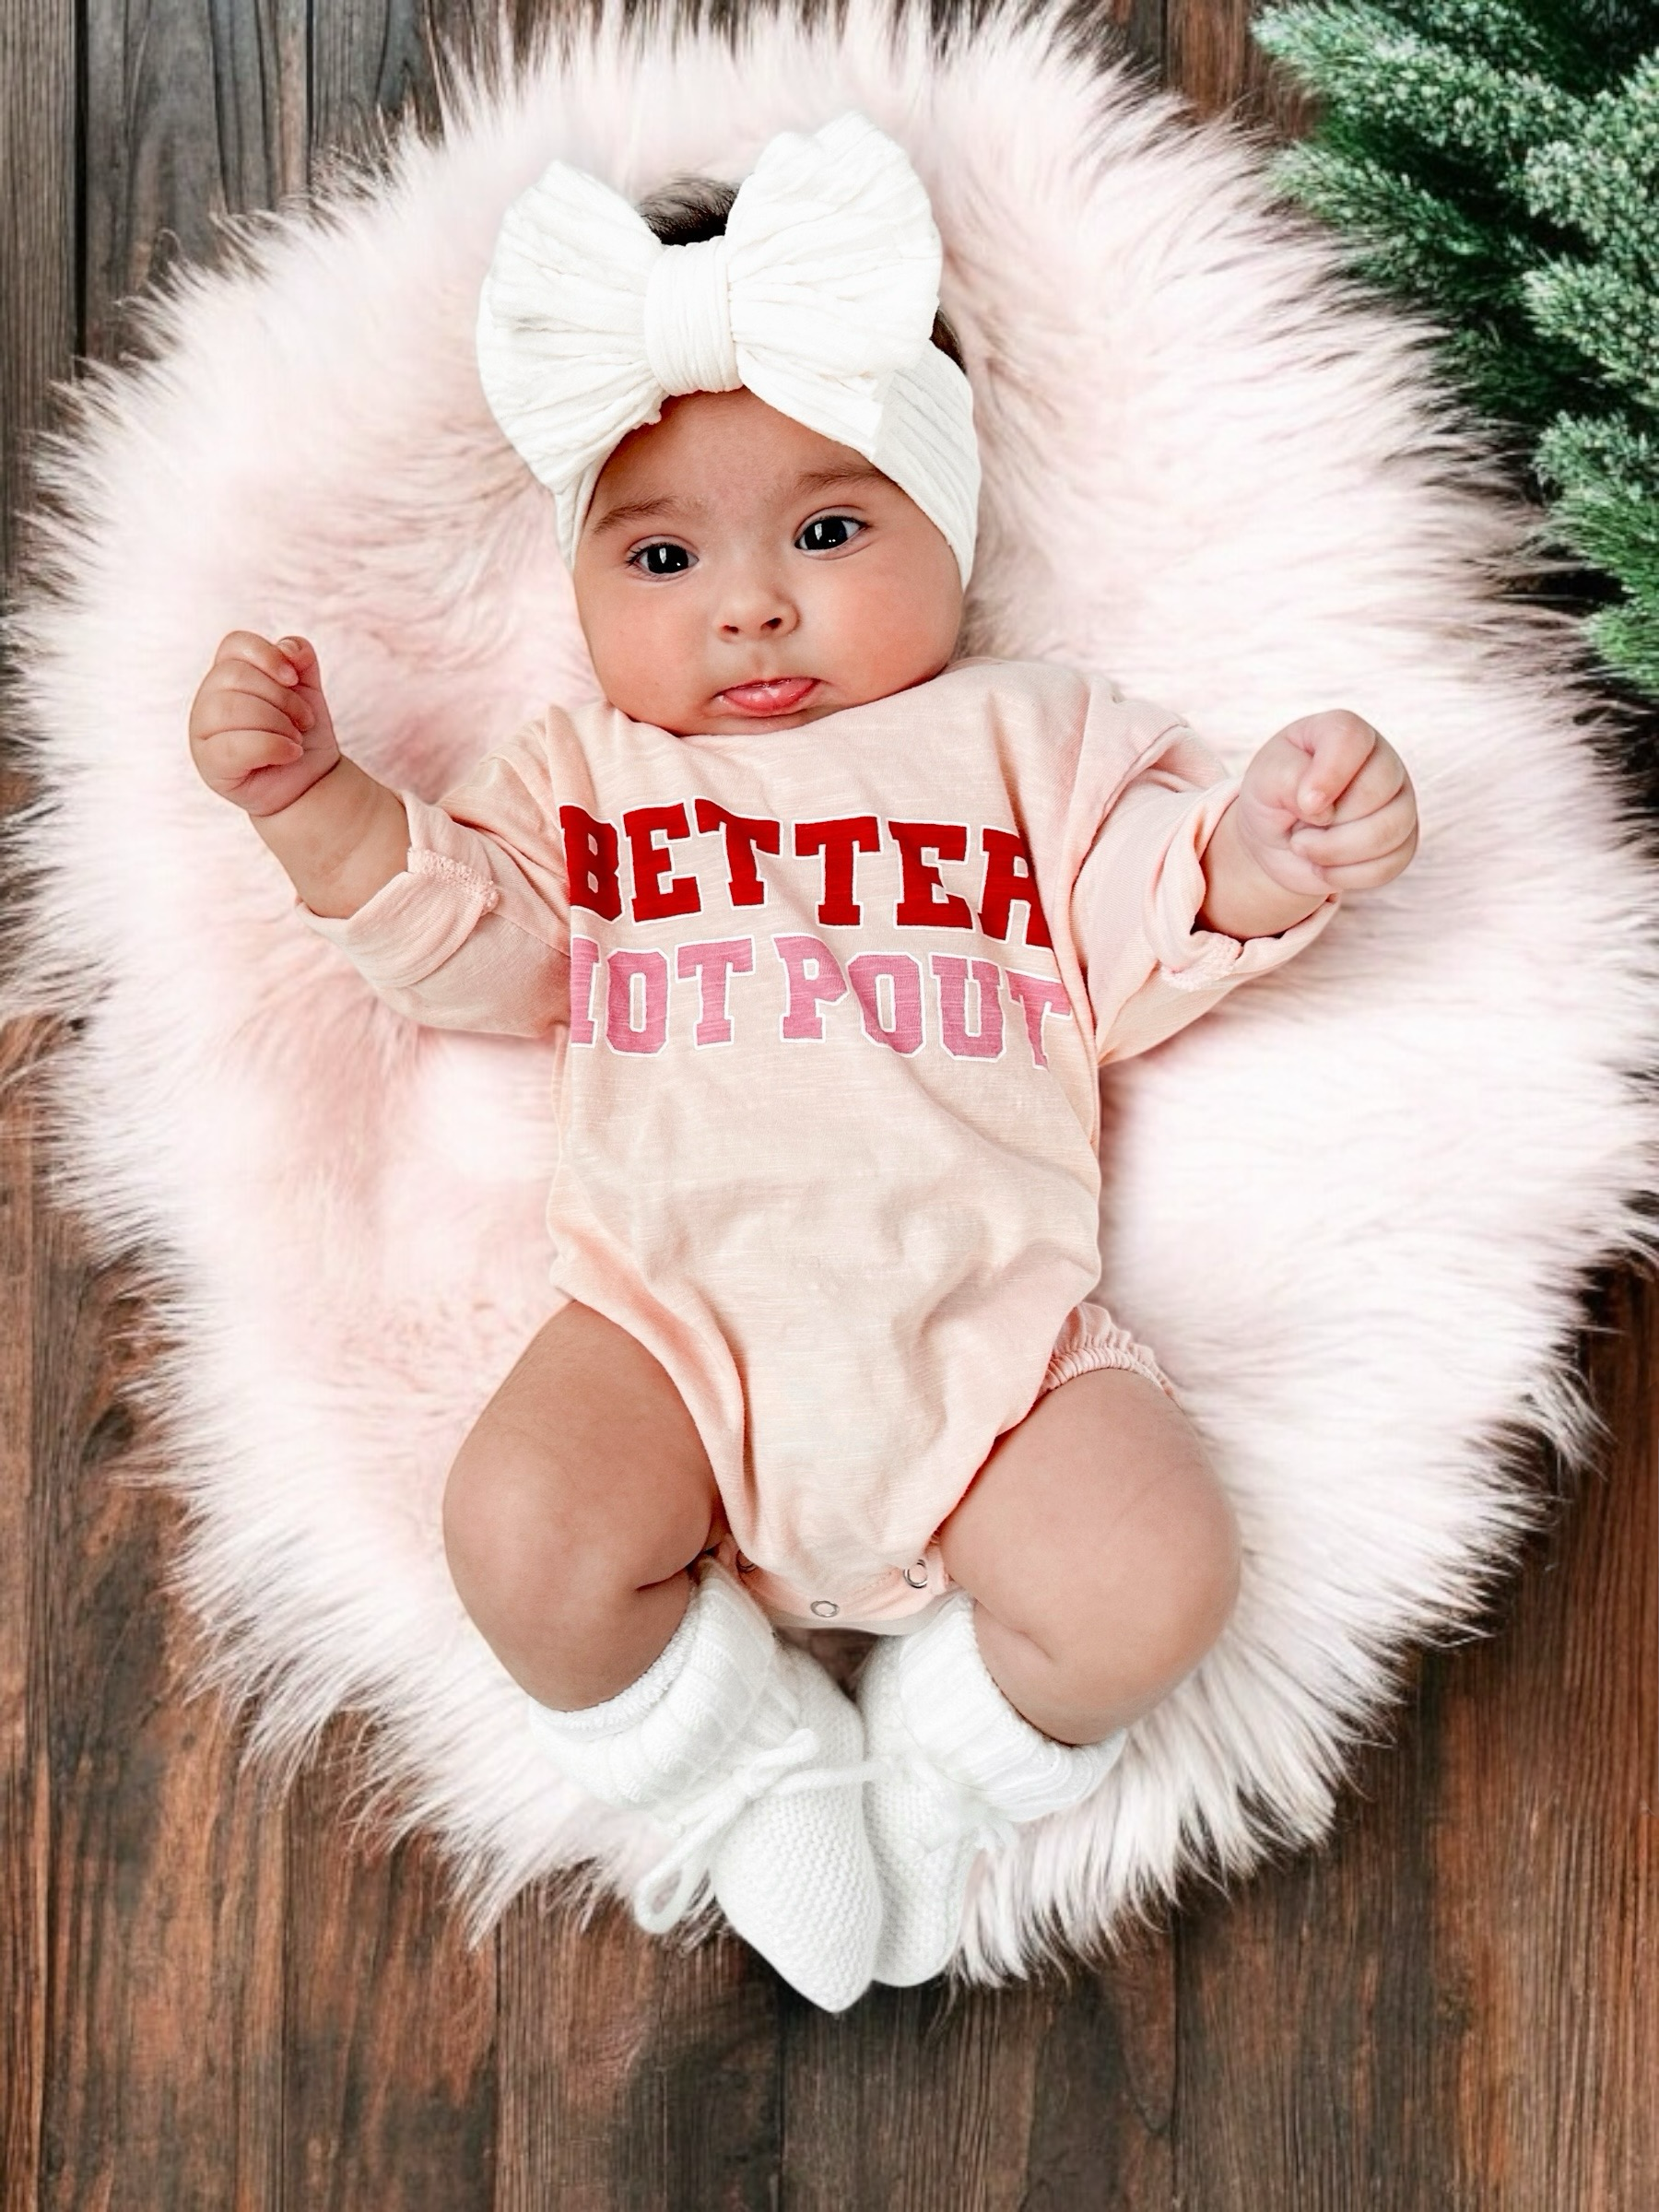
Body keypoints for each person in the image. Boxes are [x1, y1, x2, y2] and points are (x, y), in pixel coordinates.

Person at [186, 114, 1418, 2009]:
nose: (747, 605)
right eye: (662, 552)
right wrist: (319, 807)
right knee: (518, 1536)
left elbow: (1143, 925)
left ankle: (939, 1769)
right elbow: (468, 943)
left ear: (950, 525)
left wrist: (1269, 853)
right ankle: (744, 1772)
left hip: (996, 1351)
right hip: (667, 1336)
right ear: (585, 583)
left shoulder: (1032, 741)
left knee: (1156, 1579)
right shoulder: (591, 775)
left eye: (829, 532)